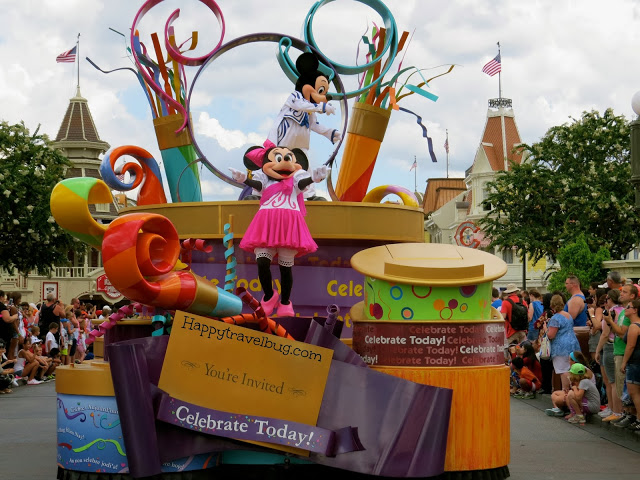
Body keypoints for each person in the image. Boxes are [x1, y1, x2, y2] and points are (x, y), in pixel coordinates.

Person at [604, 284, 637, 428]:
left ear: (633, 296)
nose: (621, 294)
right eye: (621, 291)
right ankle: (626, 413)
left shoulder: (630, 313)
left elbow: (623, 333)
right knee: (620, 385)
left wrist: (610, 322)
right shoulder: (624, 311)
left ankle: (630, 415)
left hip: (624, 352)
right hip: (618, 349)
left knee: (627, 387)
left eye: (625, 292)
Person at [594, 290, 625, 422]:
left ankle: (615, 410)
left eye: (606, 299)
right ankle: (614, 409)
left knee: (612, 381)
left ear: (611, 300)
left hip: (610, 345)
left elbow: (605, 334)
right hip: (617, 345)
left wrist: (597, 350)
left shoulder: (611, 312)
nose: (605, 302)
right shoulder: (623, 311)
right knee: (615, 381)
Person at [546, 351, 596, 417]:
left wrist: (571, 391)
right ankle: (558, 409)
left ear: (574, 361)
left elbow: (580, 390)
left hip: (584, 395)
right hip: (576, 392)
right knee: (554, 394)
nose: (568, 362)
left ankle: (574, 413)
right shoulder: (573, 370)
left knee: (562, 398)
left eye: (569, 360)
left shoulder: (583, 371)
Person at [547, 294, 581, 391]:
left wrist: (546, 329)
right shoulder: (568, 315)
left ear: (552, 305)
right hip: (573, 344)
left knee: (563, 370)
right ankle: (573, 391)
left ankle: (565, 391)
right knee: (571, 369)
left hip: (560, 347)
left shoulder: (555, 318)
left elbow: (551, 335)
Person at [621, 297, 640, 434]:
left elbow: (630, 345)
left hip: (634, 362)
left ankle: (639, 419)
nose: (626, 309)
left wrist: (624, 362)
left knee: (634, 393)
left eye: (628, 307)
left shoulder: (634, 326)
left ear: (635, 310)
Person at [0, 290, 19, 360]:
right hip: (4, 333)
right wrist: (15, 316)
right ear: (1, 297)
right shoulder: (1, 306)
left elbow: (1, 316)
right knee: (8, 351)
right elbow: (7, 319)